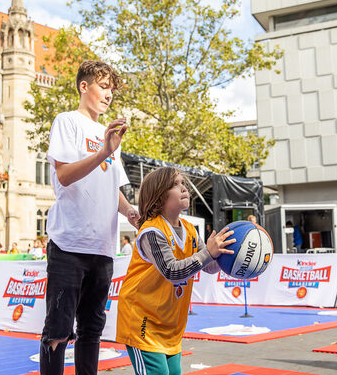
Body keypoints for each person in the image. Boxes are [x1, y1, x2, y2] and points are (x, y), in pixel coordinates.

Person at [39, 60, 140, 375]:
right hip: (69, 244)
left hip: (102, 248)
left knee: (92, 332)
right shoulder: (67, 122)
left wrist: (131, 212)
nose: (109, 94)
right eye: (103, 86)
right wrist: (103, 153)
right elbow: (65, 176)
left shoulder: (108, 134)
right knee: (58, 331)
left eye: (112, 89)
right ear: (84, 86)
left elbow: (111, 189)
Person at [116, 167, 234, 373]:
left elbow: (209, 266)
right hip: (142, 321)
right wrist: (209, 253)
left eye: (183, 183)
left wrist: (230, 258)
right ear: (159, 197)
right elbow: (171, 271)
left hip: (169, 324)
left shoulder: (189, 229)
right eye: (175, 184)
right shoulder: (151, 231)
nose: (184, 188)